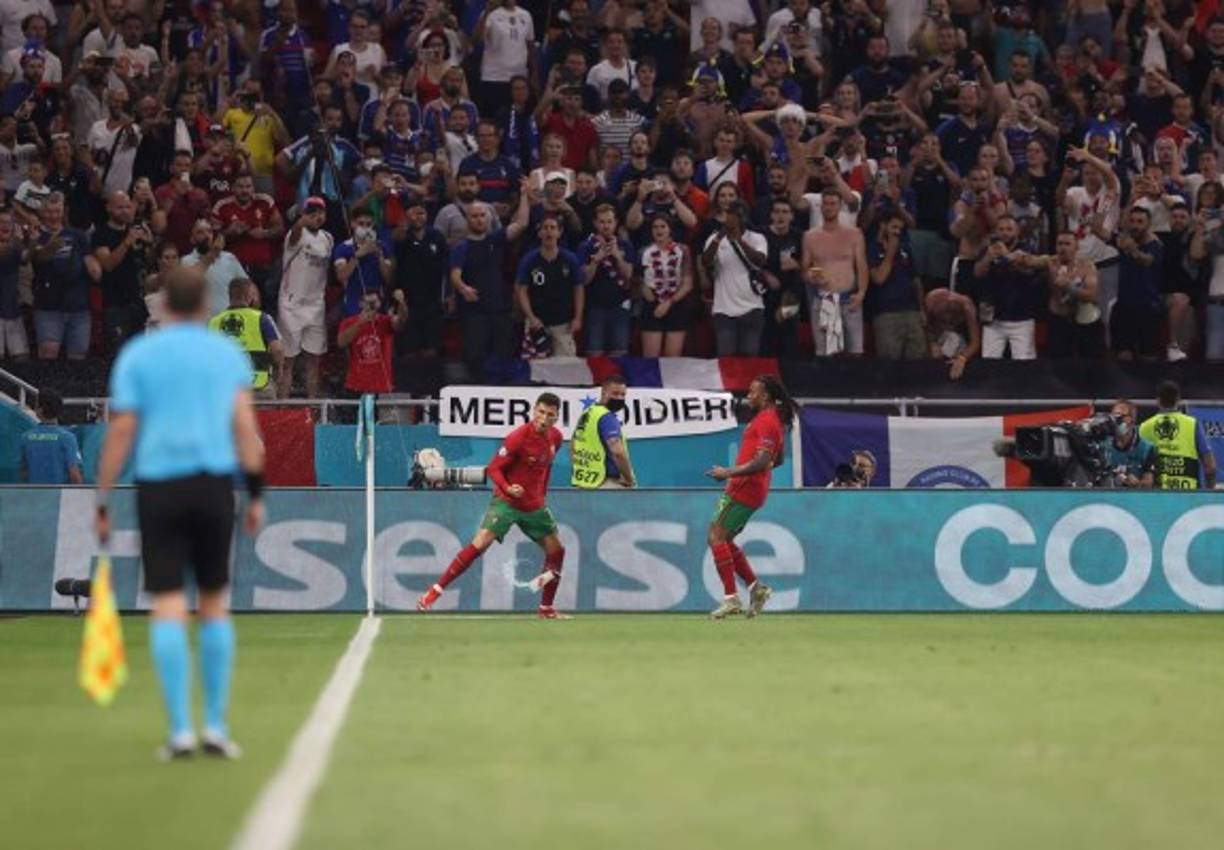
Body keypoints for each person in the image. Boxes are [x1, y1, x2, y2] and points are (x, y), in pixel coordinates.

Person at [94, 265, 265, 760]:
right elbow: (243, 426)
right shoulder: (225, 354)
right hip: (213, 486)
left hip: (158, 487)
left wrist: (101, 497)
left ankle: (180, 731)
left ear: (164, 304)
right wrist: (255, 495)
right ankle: (214, 725)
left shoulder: (139, 355)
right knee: (214, 603)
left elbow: (122, 431)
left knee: (168, 602)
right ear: (206, 306)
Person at [417, 392, 572, 619]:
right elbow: (494, 469)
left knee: (557, 551)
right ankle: (432, 593)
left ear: (556, 417)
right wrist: (508, 488)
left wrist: (541, 496)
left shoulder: (555, 438)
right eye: (541, 412)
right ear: (533, 411)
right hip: (507, 503)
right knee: (479, 544)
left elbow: (544, 469)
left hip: (534, 506)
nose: (544, 418)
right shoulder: (517, 438)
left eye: (550, 415)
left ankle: (546, 609)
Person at [705, 375, 796, 620]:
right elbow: (777, 459)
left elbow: (765, 460)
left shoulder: (767, 421)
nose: (748, 395)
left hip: (743, 487)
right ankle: (756, 589)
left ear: (765, 396)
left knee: (715, 537)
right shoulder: (772, 420)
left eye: (753, 391)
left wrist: (729, 472)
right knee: (726, 539)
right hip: (753, 488)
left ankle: (731, 598)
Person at [514, 214, 584, 357]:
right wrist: (531, 317)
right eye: (545, 228)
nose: (549, 232)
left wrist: (577, 317)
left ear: (559, 232)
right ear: (539, 233)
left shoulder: (570, 259)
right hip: (537, 323)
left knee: (565, 368)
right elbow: (521, 290)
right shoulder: (529, 260)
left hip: (563, 323)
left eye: (553, 228)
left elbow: (578, 289)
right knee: (535, 368)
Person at [208, 278, 284, 399]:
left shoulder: (214, 322)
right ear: (248, 295)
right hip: (258, 386)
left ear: (229, 296)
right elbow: (277, 350)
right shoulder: (263, 318)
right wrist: (279, 369)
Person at [1138, 380, 1217, 490]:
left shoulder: (1144, 427)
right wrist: (1209, 493)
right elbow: (1210, 467)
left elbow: (1138, 466)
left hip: (1155, 496)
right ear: (1178, 399)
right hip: (1189, 494)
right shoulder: (1192, 424)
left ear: (1158, 401)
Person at [337, 289, 408, 396]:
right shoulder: (348, 322)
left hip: (382, 386)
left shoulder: (385, 321)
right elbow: (341, 342)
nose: (370, 307)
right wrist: (360, 323)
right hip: (356, 386)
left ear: (379, 303)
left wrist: (401, 303)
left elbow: (401, 322)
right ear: (360, 303)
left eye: (373, 303)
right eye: (367, 303)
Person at [571, 374, 637, 489]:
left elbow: (573, 446)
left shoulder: (587, 413)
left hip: (583, 483)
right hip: (606, 484)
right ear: (604, 393)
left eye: (623, 395)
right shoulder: (607, 417)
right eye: (615, 394)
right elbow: (618, 452)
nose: (620, 398)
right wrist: (629, 479)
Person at [20, 390, 82, 484]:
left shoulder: (25, 438)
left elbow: (23, 473)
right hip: (59, 496)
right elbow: (74, 474)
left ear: (39, 410)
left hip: (33, 495)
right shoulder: (68, 438)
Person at [1104, 399, 1156, 488]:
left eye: (1122, 417)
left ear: (1132, 420)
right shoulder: (1103, 445)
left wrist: (1137, 483)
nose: (1117, 421)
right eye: (1115, 416)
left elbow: (1148, 483)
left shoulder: (1147, 448)